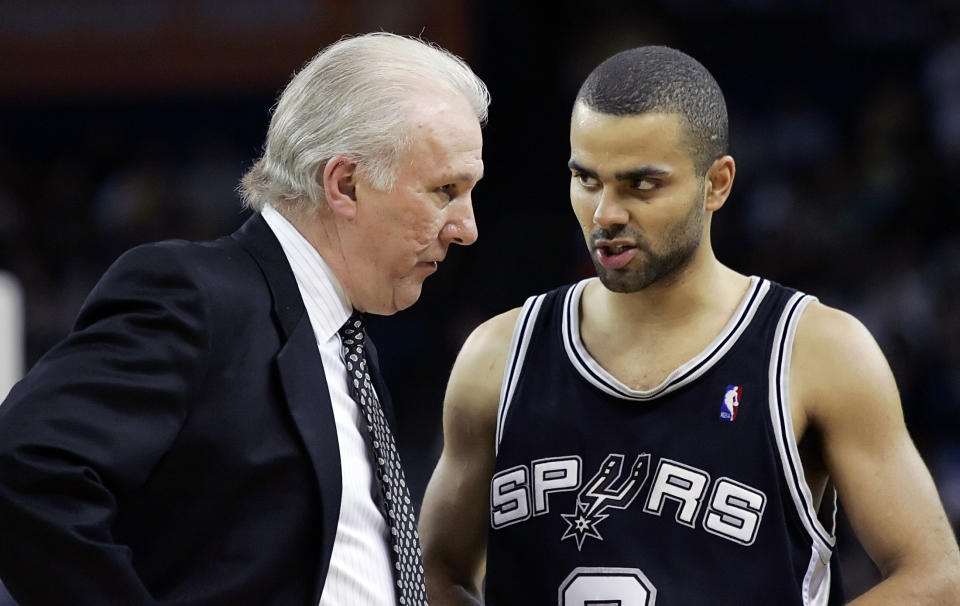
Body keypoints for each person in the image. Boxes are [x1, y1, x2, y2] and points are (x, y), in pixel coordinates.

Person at [419, 46, 960, 605]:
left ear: (717, 183)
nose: (606, 213)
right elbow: (433, 571)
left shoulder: (815, 350)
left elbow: (935, 577)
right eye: (587, 179)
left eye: (641, 185)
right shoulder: (498, 355)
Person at [0, 32, 488, 605]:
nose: (466, 227)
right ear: (345, 184)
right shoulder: (196, 296)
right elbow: (24, 469)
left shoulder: (345, 343)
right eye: (445, 190)